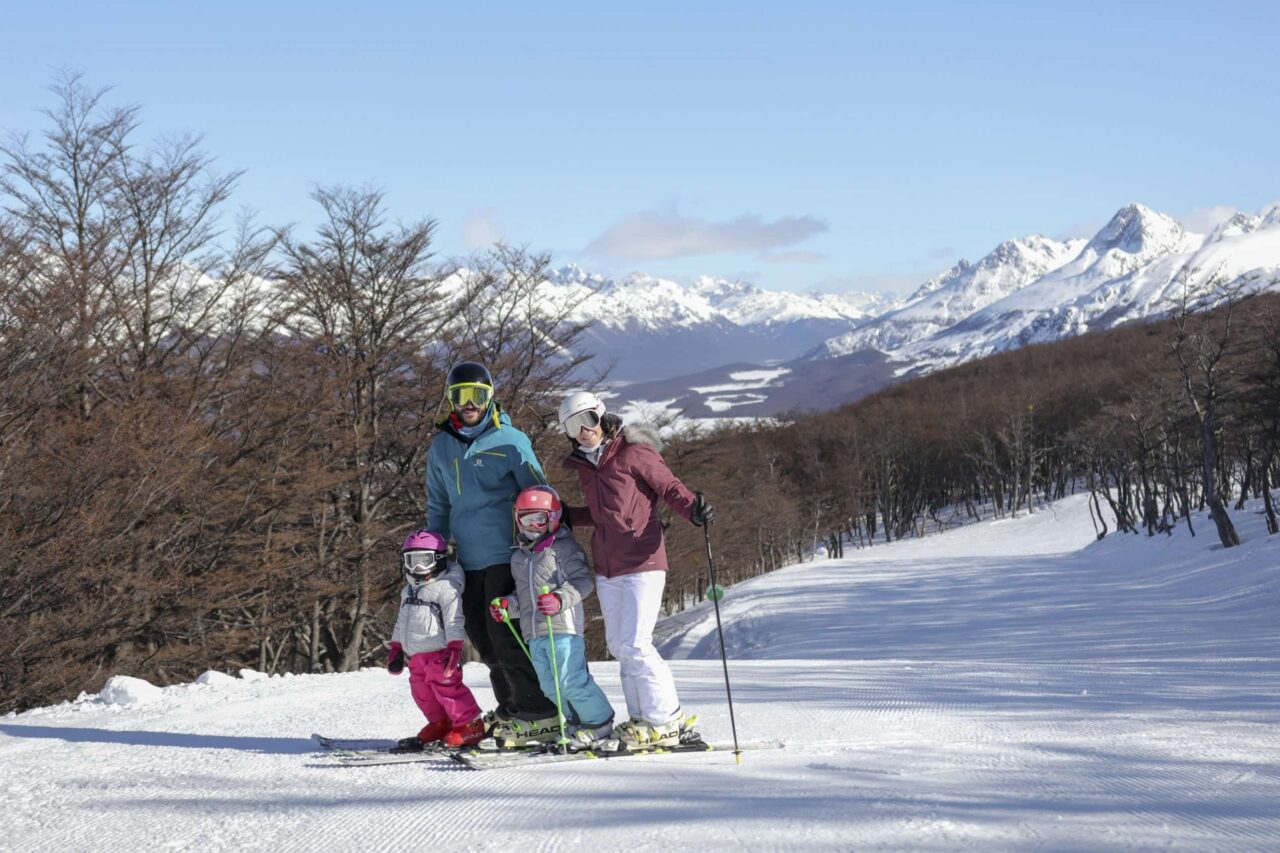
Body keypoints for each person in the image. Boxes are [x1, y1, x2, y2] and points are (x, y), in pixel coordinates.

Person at [557, 391, 716, 748]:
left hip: (643, 560)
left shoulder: (633, 452)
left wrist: (692, 509)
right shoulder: (586, 466)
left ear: (601, 416)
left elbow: (670, 487)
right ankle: (641, 718)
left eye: (588, 419)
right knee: (618, 645)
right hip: (608, 565)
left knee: (637, 643)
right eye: (573, 424)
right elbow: (603, 515)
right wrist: (568, 515)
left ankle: (666, 719)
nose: (584, 430)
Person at [425, 361, 560, 744]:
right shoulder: (442, 446)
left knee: (508, 637)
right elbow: (438, 504)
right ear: (450, 399)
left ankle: (539, 710)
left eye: (477, 396)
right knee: (482, 638)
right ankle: (511, 709)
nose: (469, 404)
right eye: (460, 396)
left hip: (507, 554)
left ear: (490, 398)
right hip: (467, 559)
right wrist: (435, 550)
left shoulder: (511, 441)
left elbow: (539, 496)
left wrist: (542, 545)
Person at [489, 485, 616, 748]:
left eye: (540, 519)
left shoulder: (564, 547)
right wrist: (507, 605)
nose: (533, 526)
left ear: (554, 518)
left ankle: (599, 722)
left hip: (562, 627)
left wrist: (559, 599)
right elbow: (523, 597)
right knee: (550, 686)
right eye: (526, 519)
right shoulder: (519, 556)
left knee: (570, 680)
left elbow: (583, 581)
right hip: (533, 631)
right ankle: (574, 722)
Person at [389, 530, 485, 749]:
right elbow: (401, 620)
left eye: (425, 561)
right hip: (416, 656)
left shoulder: (445, 588)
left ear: (439, 560)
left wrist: (454, 647)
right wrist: (396, 647)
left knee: (448, 690)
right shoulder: (409, 590)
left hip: (440, 653)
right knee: (422, 692)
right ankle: (441, 723)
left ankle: (471, 725)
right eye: (411, 561)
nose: (418, 568)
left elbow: (454, 620)